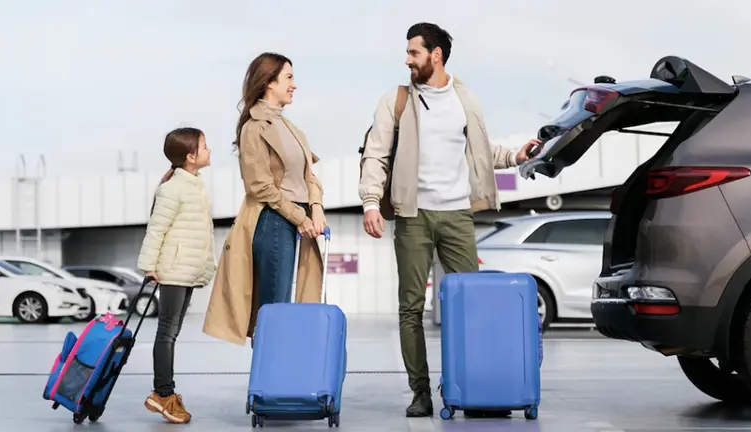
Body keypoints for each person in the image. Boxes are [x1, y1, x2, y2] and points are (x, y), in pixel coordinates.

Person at [358, 22, 542, 417]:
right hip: (413, 214)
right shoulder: (397, 101)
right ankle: (420, 392)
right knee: (411, 307)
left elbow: (480, 148)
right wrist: (371, 202)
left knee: (471, 304)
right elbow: (375, 153)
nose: (407, 60)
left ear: (435, 55)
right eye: (407, 53)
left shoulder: (465, 98)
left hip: (458, 214)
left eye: (414, 53)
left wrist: (517, 156)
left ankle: (474, 387)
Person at [202, 52, 327, 348]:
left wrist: (317, 209)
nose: (294, 85)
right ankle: (265, 390)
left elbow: (310, 176)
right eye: (289, 78)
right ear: (270, 83)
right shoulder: (253, 128)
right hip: (273, 221)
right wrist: (301, 218)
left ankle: (278, 381)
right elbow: (260, 186)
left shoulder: (292, 129)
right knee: (274, 311)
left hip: (301, 220)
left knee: (289, 310)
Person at [137, 127, 216, 424]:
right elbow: (156, 228)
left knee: (172, 332)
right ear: (190, 156)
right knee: (167, 332)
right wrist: (149, 265)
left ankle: (164, 393)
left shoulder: (195, 184)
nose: (210, 150)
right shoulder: (172, 188)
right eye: (205, 146)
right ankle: (162, 394)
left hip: (186, 270)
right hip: (173, 270)